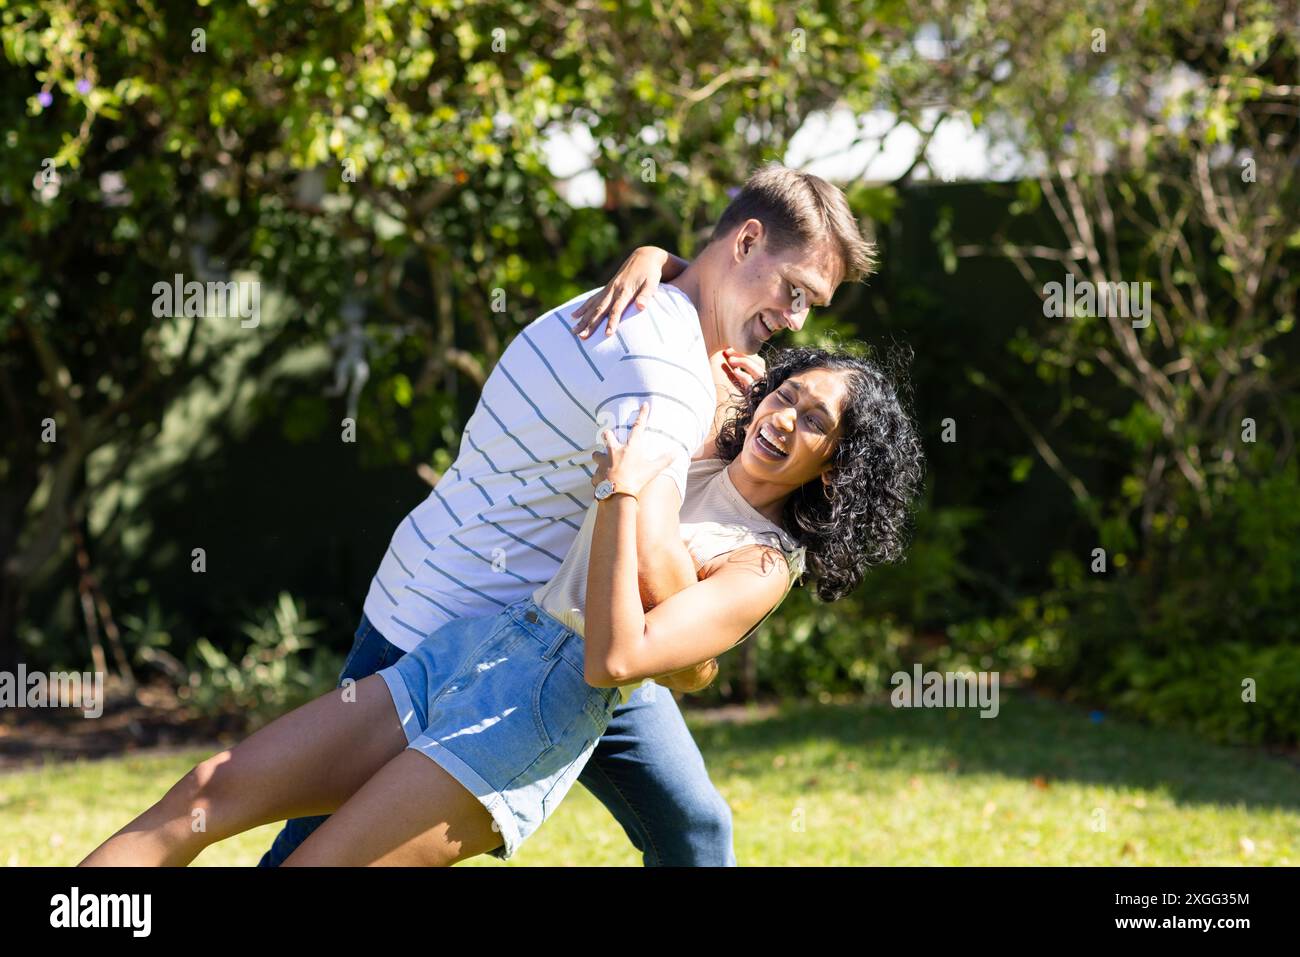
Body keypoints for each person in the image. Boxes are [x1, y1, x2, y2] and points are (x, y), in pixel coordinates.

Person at [80, 345, 924, 865]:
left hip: (541, 712)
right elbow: (696, 292)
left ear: (833, 468)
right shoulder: (705, 430)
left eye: (817, 422)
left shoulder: (763, 564)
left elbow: (617, 660)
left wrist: (624, 496)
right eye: (789, 393)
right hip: (473, 648)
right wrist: (649, 261)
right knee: (205, 790)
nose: (786, 418)